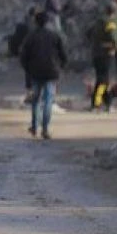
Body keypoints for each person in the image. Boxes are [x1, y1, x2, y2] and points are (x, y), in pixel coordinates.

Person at [20, 11, 68, 140]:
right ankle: (45, 129)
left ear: (36, 22)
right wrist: (61, 67)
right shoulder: (54, 36)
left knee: (35, 100)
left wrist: (28, 68)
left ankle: (35, 127)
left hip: (35, 72)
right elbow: (63, 54)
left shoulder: (31, 37)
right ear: (47, 22)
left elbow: (23, 55)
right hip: (51, 72)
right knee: (48, 100)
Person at [88, 4, 117, 111]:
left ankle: (105, 102)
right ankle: (97, 102)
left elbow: (88, 33)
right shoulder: (110, 23)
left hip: (96, 54)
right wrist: (114, 47)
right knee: (103, 80)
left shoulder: (98, 22)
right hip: (105, 54)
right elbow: (113, 38)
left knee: (101, 79)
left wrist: (95, 44)